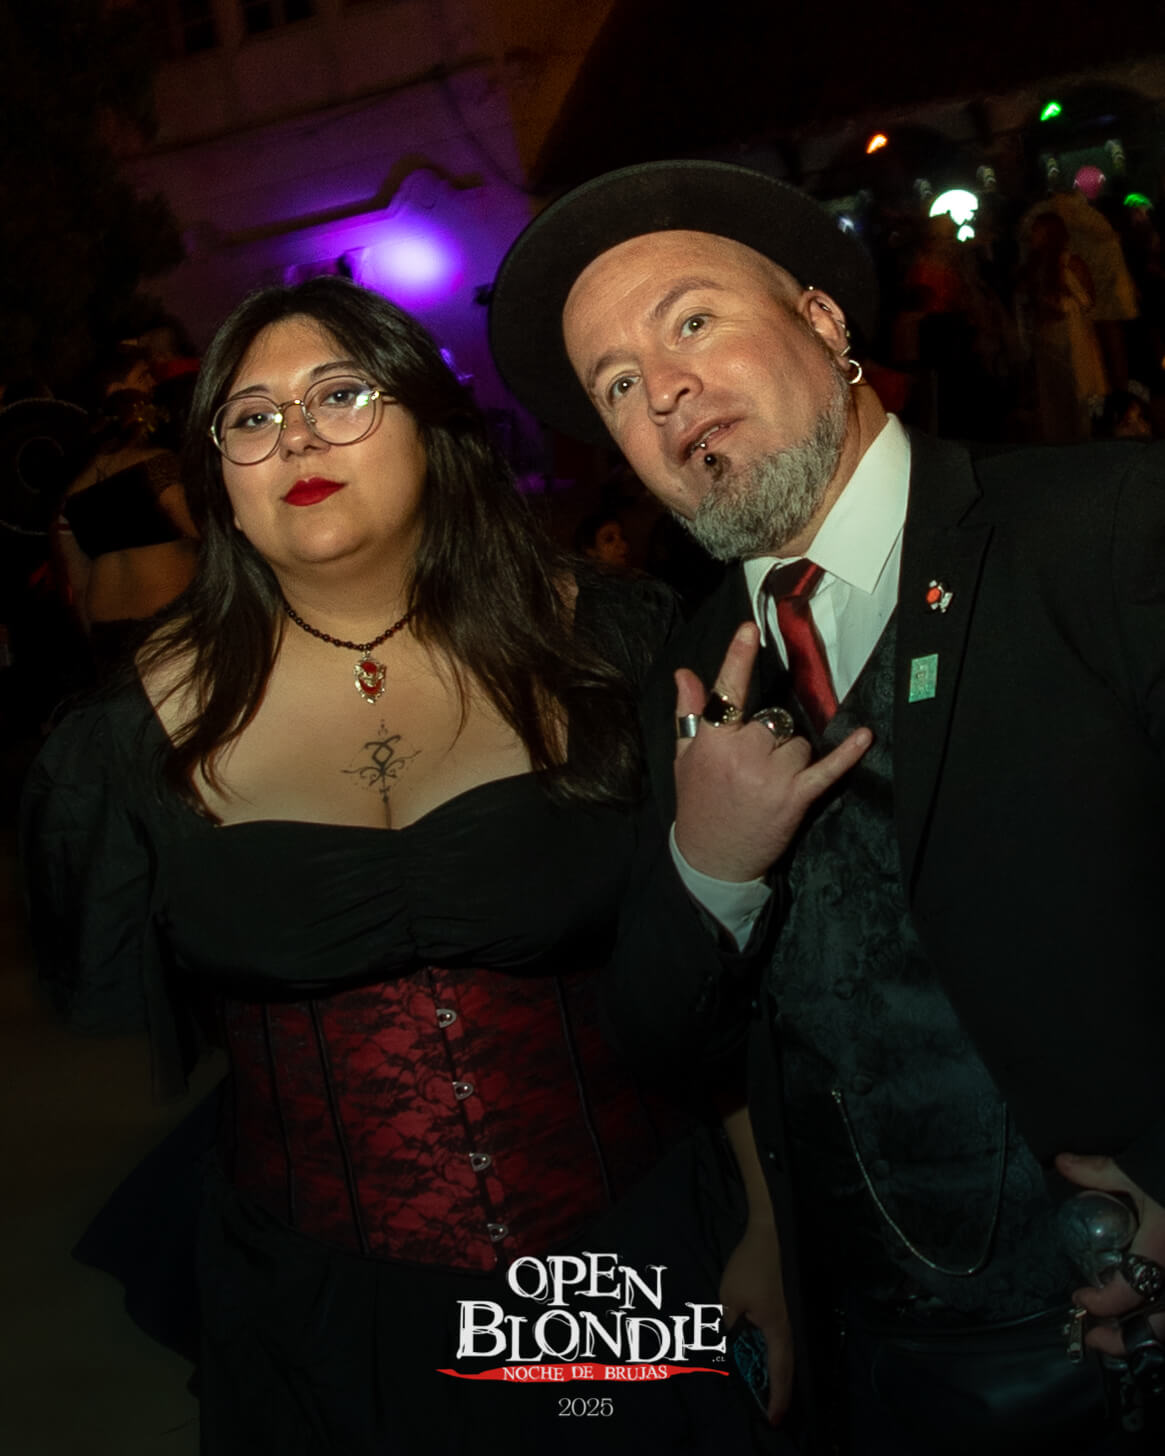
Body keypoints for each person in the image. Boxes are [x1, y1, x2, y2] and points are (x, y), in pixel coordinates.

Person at [22, 278, 769, 1455]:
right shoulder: (119, 747)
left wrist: (766, 1229)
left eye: (341, 394)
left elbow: (734, 977)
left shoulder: (613, 643)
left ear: (434, 426)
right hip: (321, 1318)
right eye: (251, 416)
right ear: (218, 480)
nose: (297, 437)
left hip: (632, 1255)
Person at [488, 159, 1165, 1453]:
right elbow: (663, 1041)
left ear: (822, 321)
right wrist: (708, 867)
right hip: (877, 1365)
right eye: (615, 384)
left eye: (691, 321)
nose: (660, 389)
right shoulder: (683, 671)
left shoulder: (1105, 531)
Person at [57, 343, 199, 677]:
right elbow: (201, 529)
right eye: (143, 376)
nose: (153, 385)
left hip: (108, 631)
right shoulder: (157, 466)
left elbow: (79, 582)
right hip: (166, 624)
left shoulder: (73, 489)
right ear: (116, 392)